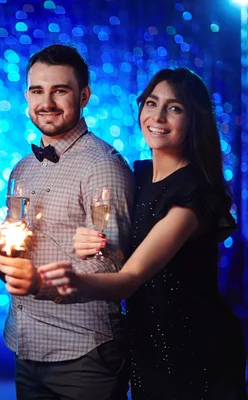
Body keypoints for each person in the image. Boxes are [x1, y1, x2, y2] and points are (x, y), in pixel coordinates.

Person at [40, 67, 246, 399]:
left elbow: (132, 275)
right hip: (146, 340)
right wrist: (90, 241)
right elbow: (123, 249)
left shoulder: (192, 192)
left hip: (193, 347)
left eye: (174, 108)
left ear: (195, 120)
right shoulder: (139, 174)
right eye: (151, 103)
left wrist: (72, 281)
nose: (158, 116)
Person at [0, 44, 135, 399]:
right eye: (37, 90)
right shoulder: (21, 169)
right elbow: (18, 253)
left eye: (60, 90)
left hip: (82, 354)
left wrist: (39, 282)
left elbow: (113, 268)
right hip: (25, 346)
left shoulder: (102, 165)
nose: (47, 102)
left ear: (84, 95)